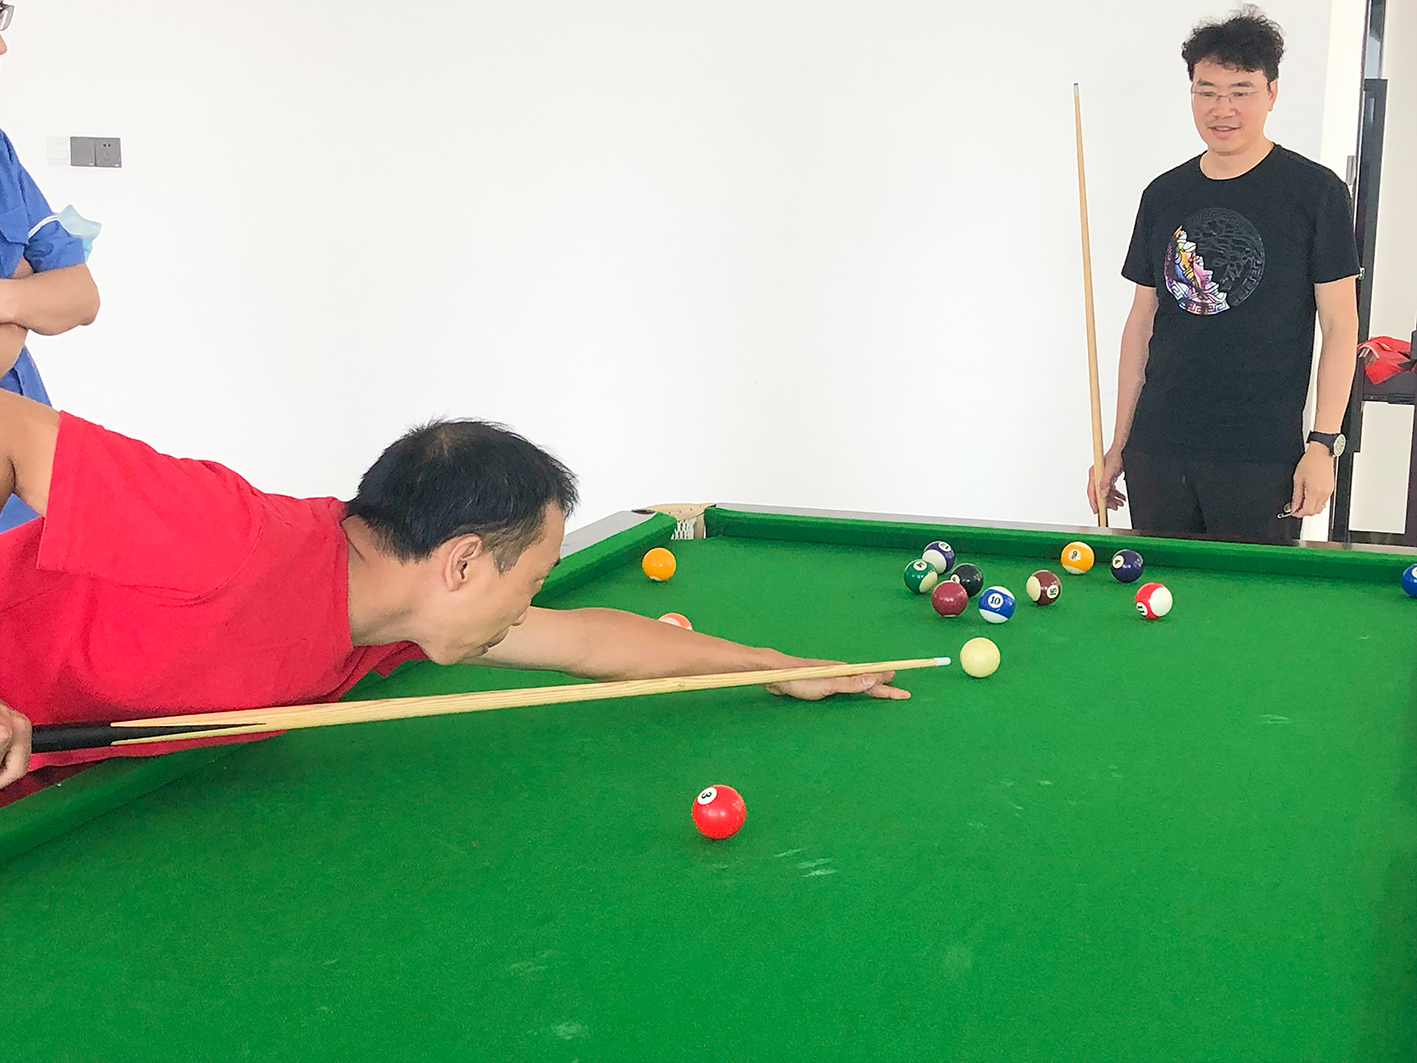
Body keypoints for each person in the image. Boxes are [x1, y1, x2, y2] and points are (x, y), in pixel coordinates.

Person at [0, 390, 908, 791]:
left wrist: (771, 665)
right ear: (463, 562)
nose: (526, 607)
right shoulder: (230, 537)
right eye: (531, 579)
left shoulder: (392, 615)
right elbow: (13, 428)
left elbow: (590, 641)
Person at [1087, 5, 1360, 543]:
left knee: (1251, 595)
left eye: (1241, 90)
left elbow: (1339, 326)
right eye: (1207, 91)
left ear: (1272, 92)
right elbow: (1141, 323)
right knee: (1157, 591)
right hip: (1158, 449)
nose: (1223, 108)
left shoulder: (1316, 192)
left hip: (1261, 455)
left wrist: (1323, 443)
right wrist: (1119, 443)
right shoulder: (1164, 194)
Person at [0, 3, 103, 532]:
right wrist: (25, 292)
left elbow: (82, 297)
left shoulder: (0, 155)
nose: (3, 47)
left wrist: (8, 298)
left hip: (32, 486)